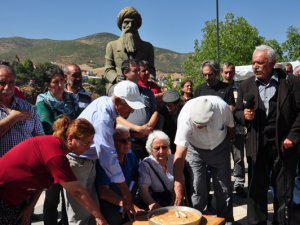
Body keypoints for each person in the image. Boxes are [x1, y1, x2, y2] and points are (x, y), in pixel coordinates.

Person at [234, 45, 300, 225]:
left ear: (271, 63)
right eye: (253, 62)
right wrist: (243, 116)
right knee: (256, 191)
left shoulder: (291, 82)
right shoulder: (246, 85)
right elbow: (237, 112)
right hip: (257, 145)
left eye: (260, 62)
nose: (255, 66)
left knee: (283, 192)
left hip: (283, 145)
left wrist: (292, 137)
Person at [0, 115, 108, 225]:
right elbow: (77, 191)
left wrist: (30, 208)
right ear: (70, 138)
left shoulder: (57, 150)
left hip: (16, 198)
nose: (88, 148)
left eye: (90, 143)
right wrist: (99, 217)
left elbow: (40, 184)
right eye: (85, 143)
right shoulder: (55, 154)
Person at [65, 80, 145, 225]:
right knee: (81, 213)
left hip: (88, 161)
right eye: (129, 106)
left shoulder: (104, 101)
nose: (132, 111)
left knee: (92, 209)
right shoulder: (103, 118)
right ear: (117, 101)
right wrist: (125, 192)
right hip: (78, 162)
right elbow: (108, 157)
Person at [173, 96, 235, 224]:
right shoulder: (184, 117)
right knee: (197, 186)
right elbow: (179, 154)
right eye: (197, 124)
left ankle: (226, 220)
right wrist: (178, 183)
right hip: (194, 150)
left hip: (220, 146)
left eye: (203, 124)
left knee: (223, 186)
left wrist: (230, 143)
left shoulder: (222, 108)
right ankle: (199, 220)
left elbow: (231, 127)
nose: (200, 127)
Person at [35, 65, 80, 225]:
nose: (60, 85)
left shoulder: (71, 98)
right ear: (47, 84)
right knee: (53, 196)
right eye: (55, 82)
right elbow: (48, 126)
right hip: (53, 152)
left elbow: (78, 122)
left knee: (70, 196)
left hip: (73, 151)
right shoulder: (43, 100)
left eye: (62, 80)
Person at [96, 125, 142, 225]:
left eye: (129, 139)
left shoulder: (130, 155)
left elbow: (137, 177)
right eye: (122, 141)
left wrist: (132, 200)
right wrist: (125, 204)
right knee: (115, 220)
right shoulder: (105, 160)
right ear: (112, 143)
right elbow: (103, 191)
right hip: (110, 203)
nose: (127, 143)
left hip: (127, 200)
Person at [104, 6, 156, 95]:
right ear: (121, 25)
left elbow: (151, 68)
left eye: (133, 23)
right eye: (126, 22)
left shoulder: (147, 47)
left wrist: (150, 79)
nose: (130, 26)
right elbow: (108, 69)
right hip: (118, 84)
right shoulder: (112, 45)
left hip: (141, 84)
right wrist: (116, 78)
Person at [117, 59, 158, 160]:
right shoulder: (118, 90)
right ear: (125, 73)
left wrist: (147, 128)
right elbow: (116, 116)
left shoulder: (147, 92)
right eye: (135, 71)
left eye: (139, 70)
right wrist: (137, 128)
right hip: (127, 140)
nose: (139, 73)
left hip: (146, 139)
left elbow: (155, 111)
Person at [0, 65, 44, 157]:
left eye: (11, 82)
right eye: (2, 83)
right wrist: (13, 117)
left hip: (26, 165)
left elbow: (40, 137)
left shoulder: (27, 107)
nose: (7, 87)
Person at [221, 62, 247, 198]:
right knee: (223, 160)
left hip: (238, 130)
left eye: (231, 72)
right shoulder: (218, 89)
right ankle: (225, 186)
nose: (228, 75)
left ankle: (239, 185)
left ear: (234, 72)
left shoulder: (241, 88)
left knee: (238, 159)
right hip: (221, 131)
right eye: (226, 72)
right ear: (221, 73)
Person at [138, 130, 174, 210]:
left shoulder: (174, 159)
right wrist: (151, 203)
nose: (161, 151)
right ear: (150, 149)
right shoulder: (146, 164)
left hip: (173, 203)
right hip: (157, 204)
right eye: (157, 148)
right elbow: (143, 189)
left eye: (164, 147)